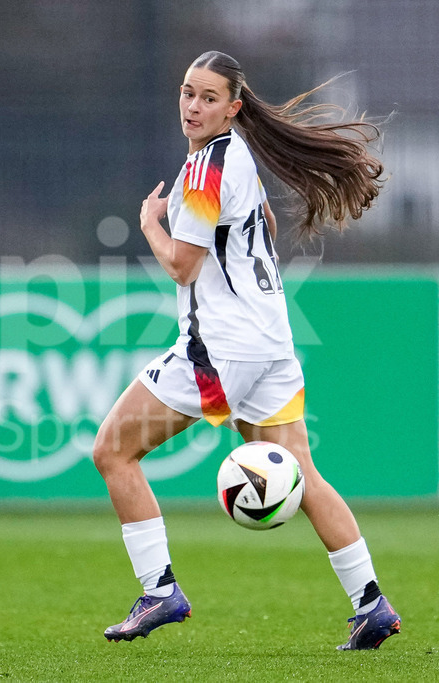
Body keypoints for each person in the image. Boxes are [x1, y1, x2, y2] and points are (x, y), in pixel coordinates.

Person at [93, 51, 401, 650]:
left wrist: (151, 221)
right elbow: (263, 221)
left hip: (223, 348)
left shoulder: (209, 168)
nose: (192, 106)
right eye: (187, 92)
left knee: (112, 451)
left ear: (233, 107)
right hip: (271, 345)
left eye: (208, 97)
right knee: (303, 474)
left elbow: (183, 267)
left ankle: (159, 591)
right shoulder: (237, 156)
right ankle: (372, 604)